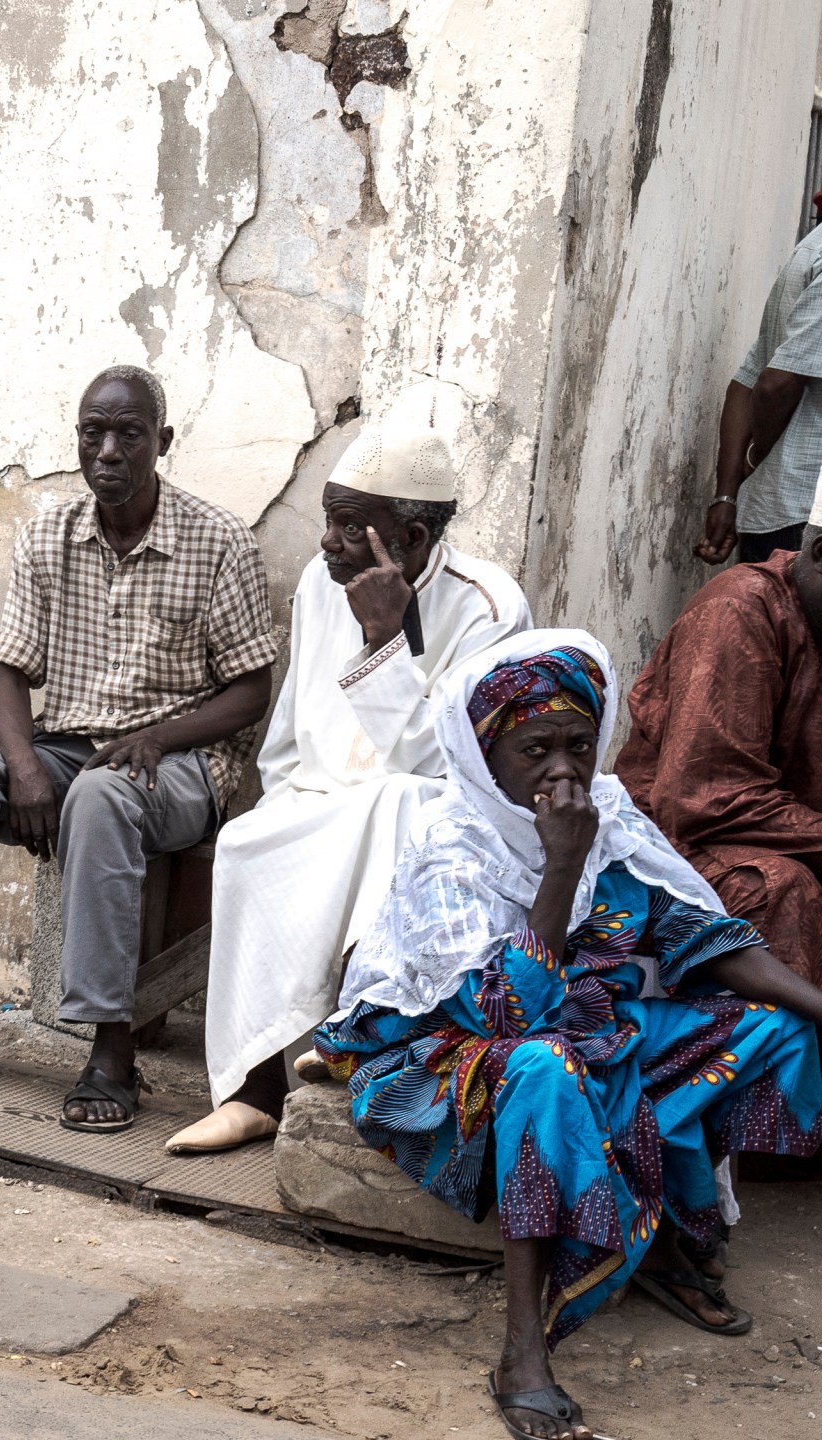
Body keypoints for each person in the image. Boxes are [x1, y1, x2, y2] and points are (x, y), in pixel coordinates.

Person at [312, 632, 822, 1440]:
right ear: (486, 758)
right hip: (449, 1063)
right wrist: (559, 867)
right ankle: (523, 1349)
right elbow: (505, 1013)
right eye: (534, 750)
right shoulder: (457, 849)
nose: (563, 771)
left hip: (592, 1035)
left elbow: (701, 935)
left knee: (778, 1033)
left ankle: (659, 1240)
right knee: (545, 1067)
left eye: (579, 746)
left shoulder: (608, 819)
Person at [0, 365, 280, 1135]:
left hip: (175, 765)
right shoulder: (49, 536)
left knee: (104, 796)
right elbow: (9, 681)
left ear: (162, 443)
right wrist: (24, 769)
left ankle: (112, 1049)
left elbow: (251, 691)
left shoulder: (219, 544)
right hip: (70, 747)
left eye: (129, 435)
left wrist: (154, 737)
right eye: (92, 433)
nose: (108, 451)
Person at [170, 404, 530, 1154]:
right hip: (325, 799)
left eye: (346, 525)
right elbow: (293, 733)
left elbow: (436, 761)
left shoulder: (490, 606)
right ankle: (251, 1088)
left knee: (397, 806)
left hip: (435, 809)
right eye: (328, 521)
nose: (327, 541)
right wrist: (288, 803)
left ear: (412, 538)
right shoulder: (317, 578)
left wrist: (384, 637)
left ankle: (357, 1035)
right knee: (245, 842)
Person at [618, 521, 822, 985]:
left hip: (791, 831)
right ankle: (774, 1054)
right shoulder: (740, 609)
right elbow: (707, 800)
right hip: (677, 843)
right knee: (779, 887)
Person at [695, 219, 822, 566]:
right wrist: (752, 460)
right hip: (802, 520)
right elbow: (774, 382)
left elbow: (747, 380)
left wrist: (727, 494)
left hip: (776, 512)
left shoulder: (811, 246)